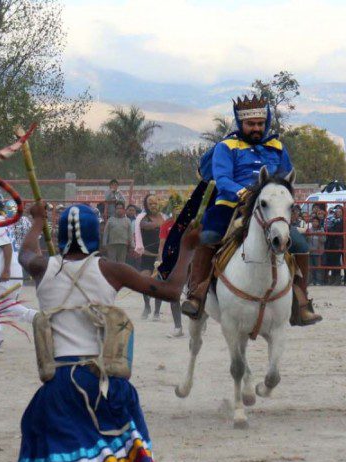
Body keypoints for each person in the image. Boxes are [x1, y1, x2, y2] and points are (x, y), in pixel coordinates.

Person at [0, 202, 198, 462]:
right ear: (97, 236)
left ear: (61, 236)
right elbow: (172, 291)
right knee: (136, 448)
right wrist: (187, 248)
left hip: (57, 384)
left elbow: (26, 252)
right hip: (102, 382)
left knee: (34, 460)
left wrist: (37, 221)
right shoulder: (111, 270)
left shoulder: (42, 268)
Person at [181, 94, 321, 325]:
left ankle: (301, 303)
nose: (256, 128)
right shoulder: (226, 147)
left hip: (269, 209)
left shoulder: (277, 147)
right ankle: (196, 295)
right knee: (210, 235)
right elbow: (222, 178)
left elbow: (285, 179)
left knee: (300, 244)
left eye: (260, 124)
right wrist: (242, 192)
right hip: (231, 205)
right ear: (241, 123)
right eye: (251, 124)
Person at [0, 191, 36, 350]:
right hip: (4, 271)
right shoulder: (0, 221)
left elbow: (6, 246)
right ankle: (37, 318)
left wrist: (5, 270)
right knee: (3, 305)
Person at [157, 194, 186, 338]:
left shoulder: (190, 224)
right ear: (171, 209)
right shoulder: (166, 225)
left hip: (188, 263)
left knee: (194, 293)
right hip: (172, 264)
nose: (178, 211)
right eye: (176, 208)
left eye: (181, 208)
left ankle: (199, 320)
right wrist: (161, 260)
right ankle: (178, 327)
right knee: (174, 294)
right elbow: (162, 245)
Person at [134, 193, 166, 320]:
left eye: (155, 203)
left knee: (159, 284)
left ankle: (157, 312)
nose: (153, 205)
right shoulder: (143, 218)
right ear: (146, 205)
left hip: (160, 257)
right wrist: (164, 223)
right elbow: (147, 226)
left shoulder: (164, 217)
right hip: (147, 256)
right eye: (150, 203)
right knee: (144, 282)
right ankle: (147, 306)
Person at [306, 216, 325, 285]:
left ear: (319, 223)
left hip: (318, 252)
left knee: (318, 267)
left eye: (316, 221)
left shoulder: (321, 230)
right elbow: (306, 240)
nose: (315, 223)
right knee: (310, 268)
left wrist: (320, 235)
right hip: (310, 251)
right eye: (313, 221)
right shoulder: (309, 230)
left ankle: (318, 281)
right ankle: (311, 281)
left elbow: (324, 240)